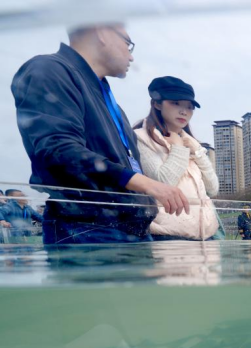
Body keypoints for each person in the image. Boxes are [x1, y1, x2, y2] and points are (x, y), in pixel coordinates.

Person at [11, 23, 189, 244]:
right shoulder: (49, 70)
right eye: (128, 44)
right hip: (86, 227)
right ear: (103, 33)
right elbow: (59, 149)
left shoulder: (108, 100)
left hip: (130, 227)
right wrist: (144, 183)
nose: (131, 57)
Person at [133, 77, 220, 241]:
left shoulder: (191, 144)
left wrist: (198, 152)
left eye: (189, 107)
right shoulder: (142, 138)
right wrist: (178, 149)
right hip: (167, 237)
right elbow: (163, 185)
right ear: (157, 104)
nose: (184, 111)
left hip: (206, 237)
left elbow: (213, 188)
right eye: (175, 103)